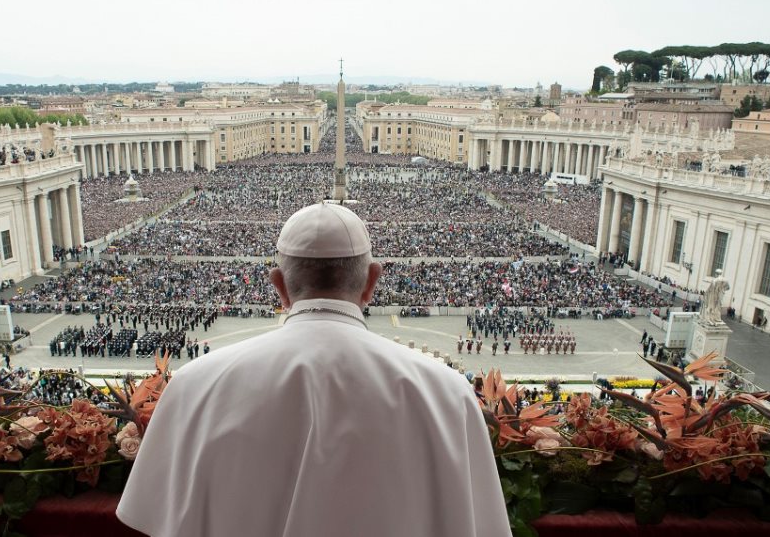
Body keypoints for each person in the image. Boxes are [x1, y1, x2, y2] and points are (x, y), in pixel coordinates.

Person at [117, 203, 511, 537]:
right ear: (372, 281)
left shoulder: (193, 385)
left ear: (279, 286)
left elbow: (149, 514)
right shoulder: (446, 391)